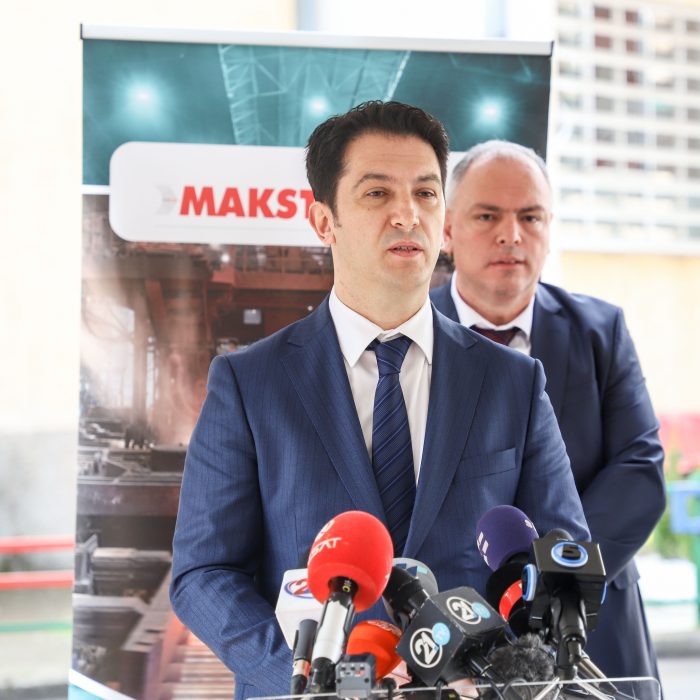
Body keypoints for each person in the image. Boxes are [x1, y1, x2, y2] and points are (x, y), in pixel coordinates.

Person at [170, 103, 589, 699]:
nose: (407, 214)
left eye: (426, 193)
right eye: (377, 193)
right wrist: (308, 679)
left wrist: (508, 673)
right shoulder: (248, 383)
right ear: (323, 221)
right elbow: (203, 574)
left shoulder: (513, 384)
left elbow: (560, 562)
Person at [430, 140, 665, 684]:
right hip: (454, 625)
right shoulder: (408, 336)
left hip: (593, 624)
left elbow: (640, 469)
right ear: (446, 229)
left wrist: (551, 576)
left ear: (549, 228)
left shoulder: (600, 331)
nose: (511, 234)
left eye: (530, 217)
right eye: (487, 216)